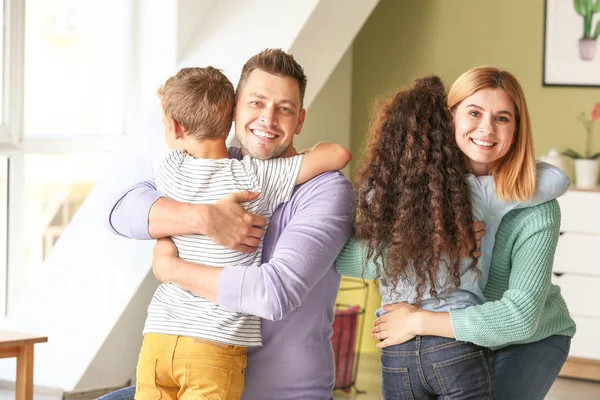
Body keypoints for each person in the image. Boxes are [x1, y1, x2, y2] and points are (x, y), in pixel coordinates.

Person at [102, 49, 355, 400]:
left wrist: (171, 268)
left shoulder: (327, 190)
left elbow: (273, 293)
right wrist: (203, 218)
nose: (268, 119)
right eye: (256, 102)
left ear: (299, 121)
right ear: (234, 110)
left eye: (284, 108)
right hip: (191, 376)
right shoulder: (221, 166)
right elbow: (118, 210)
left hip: (277, 394)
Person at [335, 75, 570, 399]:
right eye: (474, 113)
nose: (487, 128)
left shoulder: (537, 207)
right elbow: (349, 259)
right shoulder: (422, 189)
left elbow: (521, 318)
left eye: (502, 118)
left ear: (516, 130)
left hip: (525, 339)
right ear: (450, 118)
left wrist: (419, 322)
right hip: (453, 337)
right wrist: (432, 245)